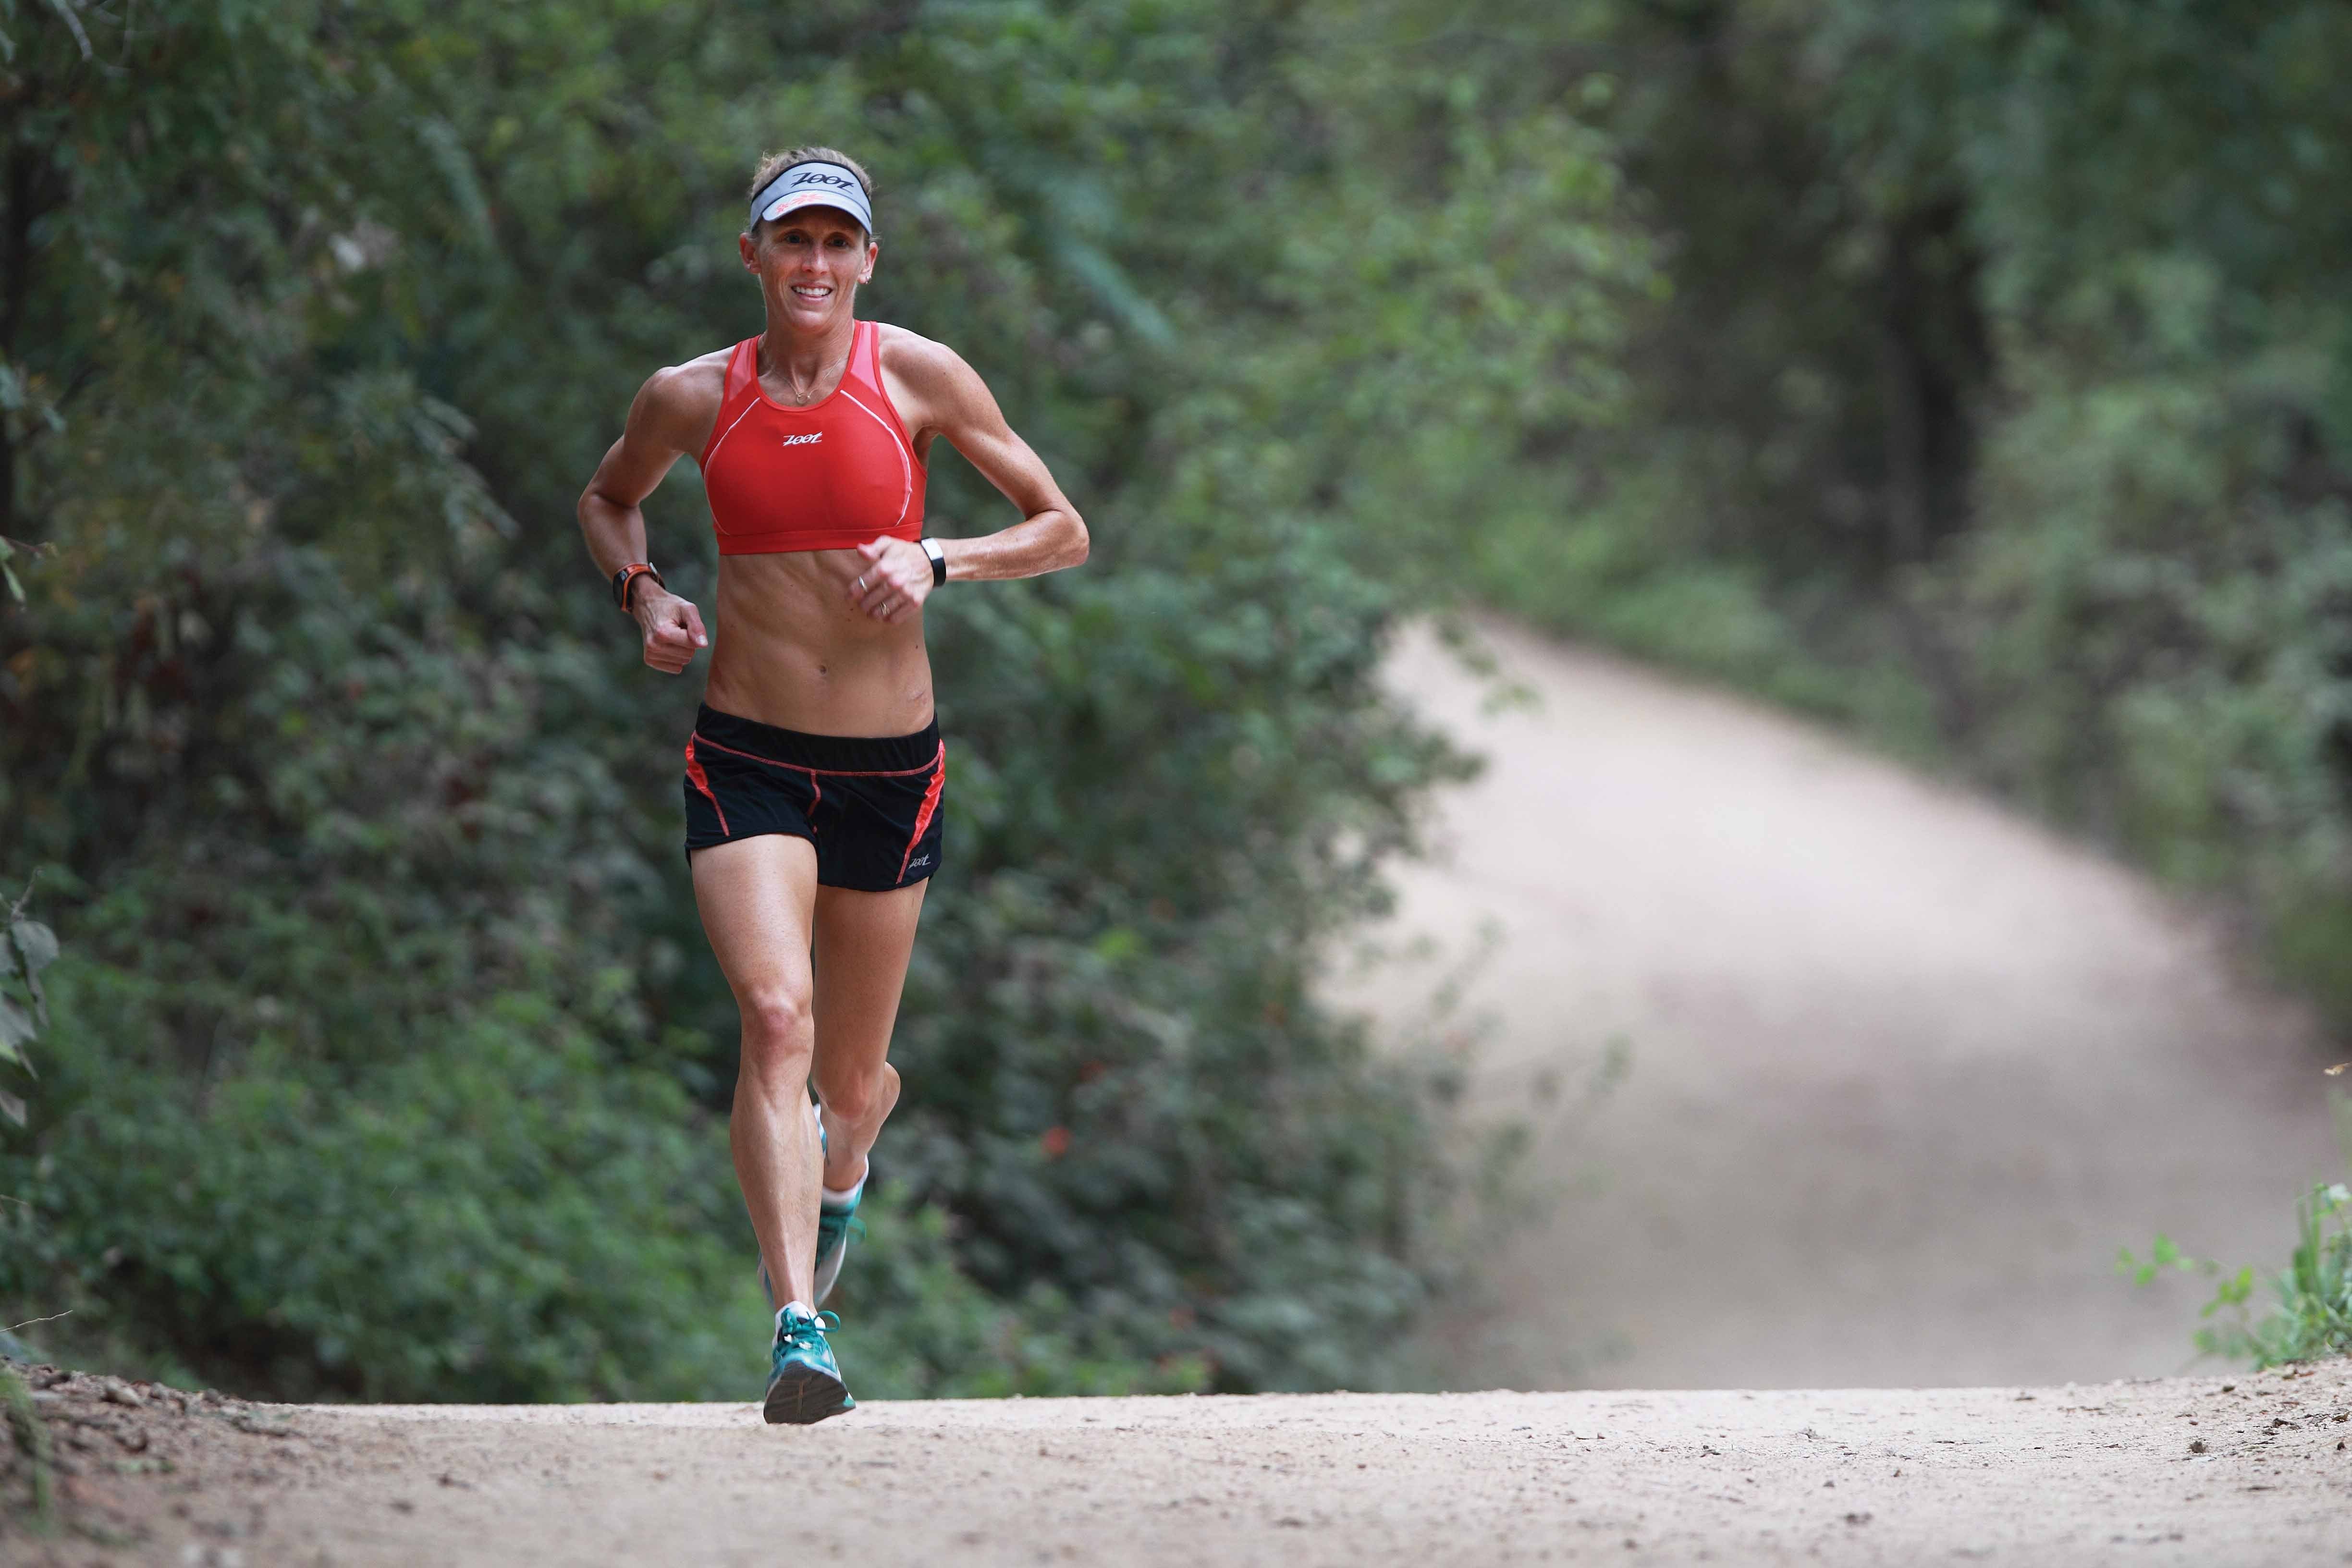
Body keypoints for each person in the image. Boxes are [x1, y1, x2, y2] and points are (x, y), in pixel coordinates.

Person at [576, 146, 1088, 1423]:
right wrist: (645, 594)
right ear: (752, 256)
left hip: (887, 771)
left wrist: (938, 560)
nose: (814, 264)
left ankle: (846, 1158)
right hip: (746, 752)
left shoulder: (914, 377)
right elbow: (606, 499)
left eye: (836, 243)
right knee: (774, 1019)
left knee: (848, 1089)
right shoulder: (692, 397)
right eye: (790, 241)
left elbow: (1061, 525)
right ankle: (799, 1328)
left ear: (868, 259)